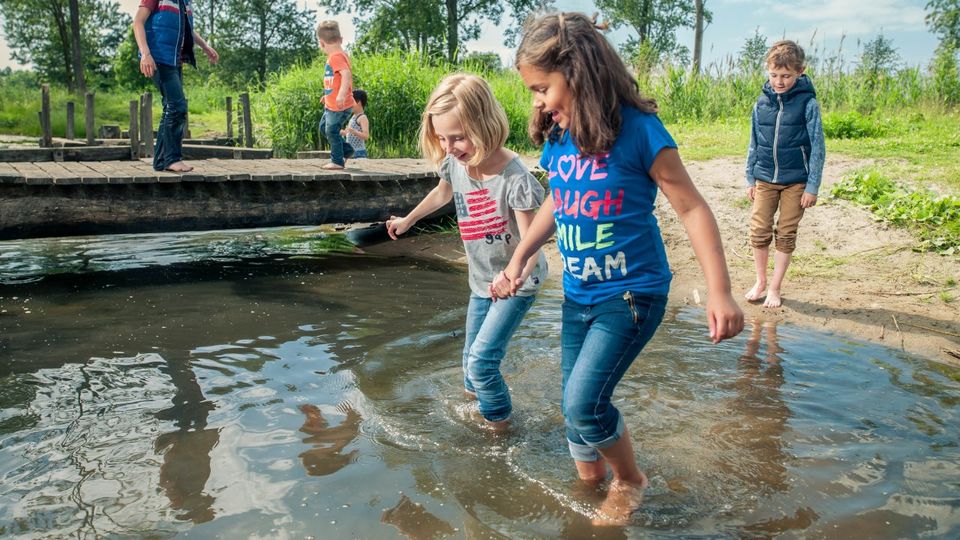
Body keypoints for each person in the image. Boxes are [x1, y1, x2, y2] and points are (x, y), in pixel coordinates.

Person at [489, 12, 744, 523]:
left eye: (542, 88)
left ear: (578, 72)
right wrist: (519, 258)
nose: (537, 101)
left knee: (585, 403)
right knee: (571, 406)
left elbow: (692, 208)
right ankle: (589, 487)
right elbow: (557, 204)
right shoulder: (559, 137)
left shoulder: (641, 132)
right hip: (578, 295)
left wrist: (720, 291)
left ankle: (630, 480)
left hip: (632, 295)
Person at [385, 74, 548, 430]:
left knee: (482, 361)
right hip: (481, 278)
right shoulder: (455, 164)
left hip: (517, 280)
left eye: (457, 137)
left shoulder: (514, 178)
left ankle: (500, 429)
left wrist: (514, 276)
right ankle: (476, 409)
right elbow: (443, 193)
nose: (449, 146)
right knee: (469, 364)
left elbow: (532, 240)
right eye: (441, 138)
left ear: (485, 124)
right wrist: (409, 220)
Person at [744, 40, 826, 308]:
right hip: (765, 178)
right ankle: (760, 281)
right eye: (774, 75)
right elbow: (754, 142)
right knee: (758, 230)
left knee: (786, 232)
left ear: (800, 72)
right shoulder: (761, 103)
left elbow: (817, 147)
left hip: (796, 182)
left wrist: (812, 185)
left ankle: (776, 287)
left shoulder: (808, 103)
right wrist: (750, 178)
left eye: (786, 76)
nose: (779, 81)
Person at [133, 0, 218, 173]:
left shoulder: (184, 3)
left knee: (170, 107)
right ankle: (172, 159)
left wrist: (205, 46)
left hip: (174, 61)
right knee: (177, 106)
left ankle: (162, 160)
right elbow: (138, 22)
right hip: (158, 58)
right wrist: (145, 54)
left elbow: (188, 29)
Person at [316, 20, 356, 170]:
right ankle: (346, 150)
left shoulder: (336, 56)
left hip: (338, 106)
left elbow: (345, 76)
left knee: (331, 130)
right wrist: (328, 96)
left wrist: (340, 95)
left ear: (321, 43)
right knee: (323, 128)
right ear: (341, 39)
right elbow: (335, 81)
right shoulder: (340, 55)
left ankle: (337, 161)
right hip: (331, 104)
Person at [340, 89, 370, 159]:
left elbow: (366, 136)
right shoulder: (353, 117)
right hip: (351, 152)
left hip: (359, 153)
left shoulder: (362, 117)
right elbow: (346, 133)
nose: (349, 105)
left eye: (351, 102)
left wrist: (354, 131)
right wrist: (336, 130)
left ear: (358, 102)